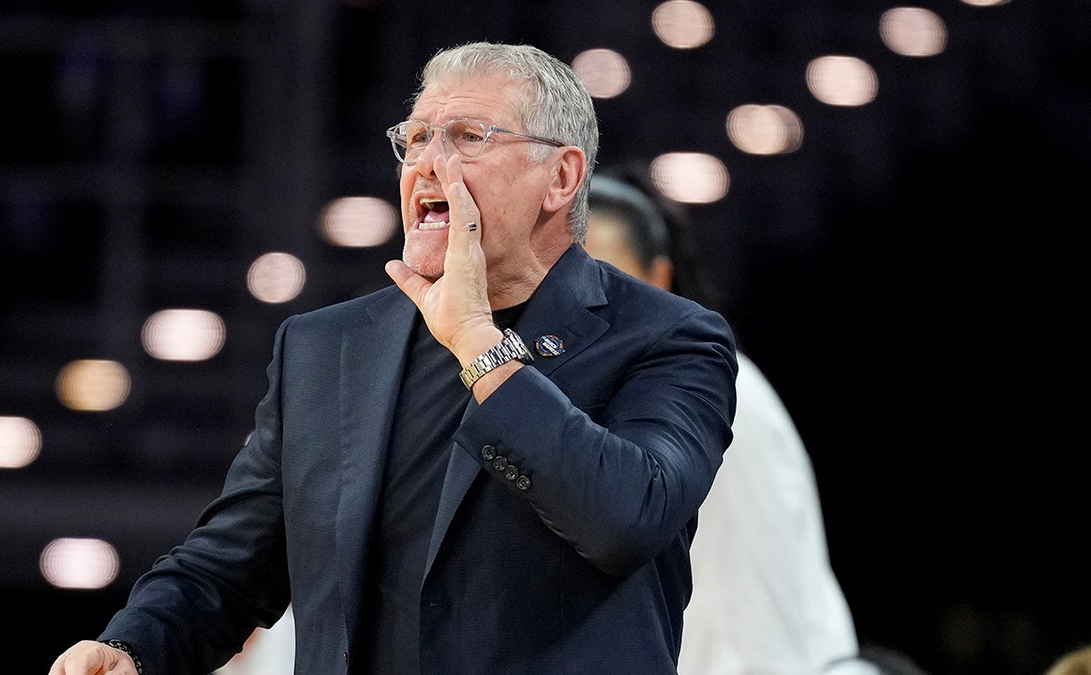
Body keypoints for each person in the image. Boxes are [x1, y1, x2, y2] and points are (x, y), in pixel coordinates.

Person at [49, 41, 738, 674]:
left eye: (468, 137)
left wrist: (477, 339)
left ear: (560, 178)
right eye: (415, 139)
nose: (427, 163)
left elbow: (625, 516)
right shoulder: (324, 346)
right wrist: (132, 646)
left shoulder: (666, 338)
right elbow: (233, 563)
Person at [584, 172, 880, 675]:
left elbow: (757, 626)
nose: (580, 300)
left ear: (659, 278)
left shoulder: (717, 393)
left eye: (602, 276)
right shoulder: (609, 394)